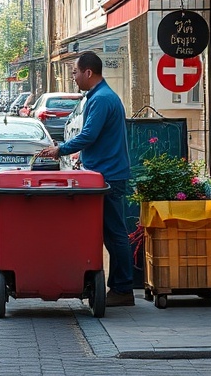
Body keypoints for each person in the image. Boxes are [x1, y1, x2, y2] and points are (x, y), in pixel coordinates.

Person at [38, 51, 134, 307]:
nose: (73, 77)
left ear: (88, 72)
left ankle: (123, 288)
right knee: (109, 233)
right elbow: (97, 138)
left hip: (109, 176)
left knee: (115, 234)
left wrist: (61, 149)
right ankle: (118, 287)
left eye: (75, 72)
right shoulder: (100, 96)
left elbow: (89, 134)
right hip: (104, 172)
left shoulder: (101, 99)